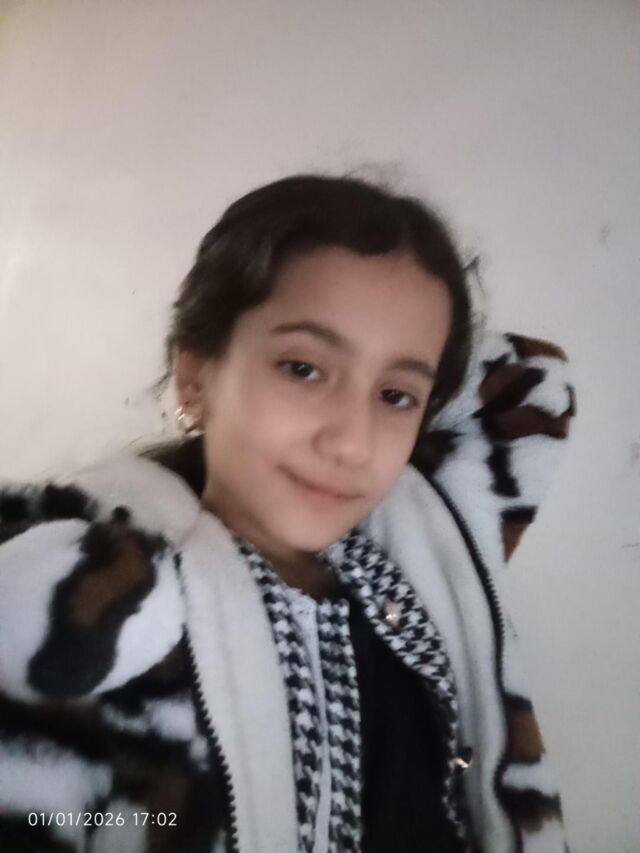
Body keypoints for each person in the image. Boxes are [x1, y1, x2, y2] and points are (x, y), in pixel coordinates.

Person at [0, 173, 576, 852]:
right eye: (302, 368)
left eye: (395, 395)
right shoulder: (90, 609)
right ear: (194, 376)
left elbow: (536, 384)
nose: (352, 442)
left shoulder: (424, 544)